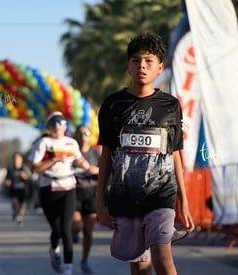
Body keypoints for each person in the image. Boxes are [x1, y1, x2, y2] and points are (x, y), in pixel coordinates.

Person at [95, 32, 195, 275]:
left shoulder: (170, 105)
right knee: (140, 267)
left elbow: (175, 156)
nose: (142, 66)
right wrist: (100, 202)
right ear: (128, 66)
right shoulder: (112, 105)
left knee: (162, 257)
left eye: (149, 61)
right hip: (125, 197)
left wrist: (184, 202)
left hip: (162, 196)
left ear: (159, 68)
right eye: (136, 60)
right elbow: (106, 155)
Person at [28, 111, 94, 275]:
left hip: (68, 188)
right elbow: (34, 168)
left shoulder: (71, 143)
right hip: (49, 188)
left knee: (66, 230)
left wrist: (93, 169)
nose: (58, 125)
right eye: (54, 122)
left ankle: (68, 269)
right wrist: (54, 159)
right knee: (56, 230)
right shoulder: (44, 143)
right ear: (49, 126)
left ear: (65, 126)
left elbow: (80, 161)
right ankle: (53, 249)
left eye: (61, 122)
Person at [71, 125, 101, 274]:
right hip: (74, 192)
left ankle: (84, 260)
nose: (83, 136)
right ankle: (73, 232)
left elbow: (107, 170)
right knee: (76, 225)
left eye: (86, 133)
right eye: (80, 133)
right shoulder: (72, 153)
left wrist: (96, 170)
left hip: (90, 193)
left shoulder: (96, 152)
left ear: (90, 136)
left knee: (88, 231)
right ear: (76, 136)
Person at [4, 152, 31, 225]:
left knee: (22, 205)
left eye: (18, 159)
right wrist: (7, 182)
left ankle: (20, 217)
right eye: (15, 159)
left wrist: (25, 177)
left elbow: (30, 178)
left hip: (23, 189)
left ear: (21, 159)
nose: (17, 160)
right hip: (13, 189)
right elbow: (7, 179)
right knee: (15, 202)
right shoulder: (10, 168)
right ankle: (15, 211)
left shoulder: (25, 168)